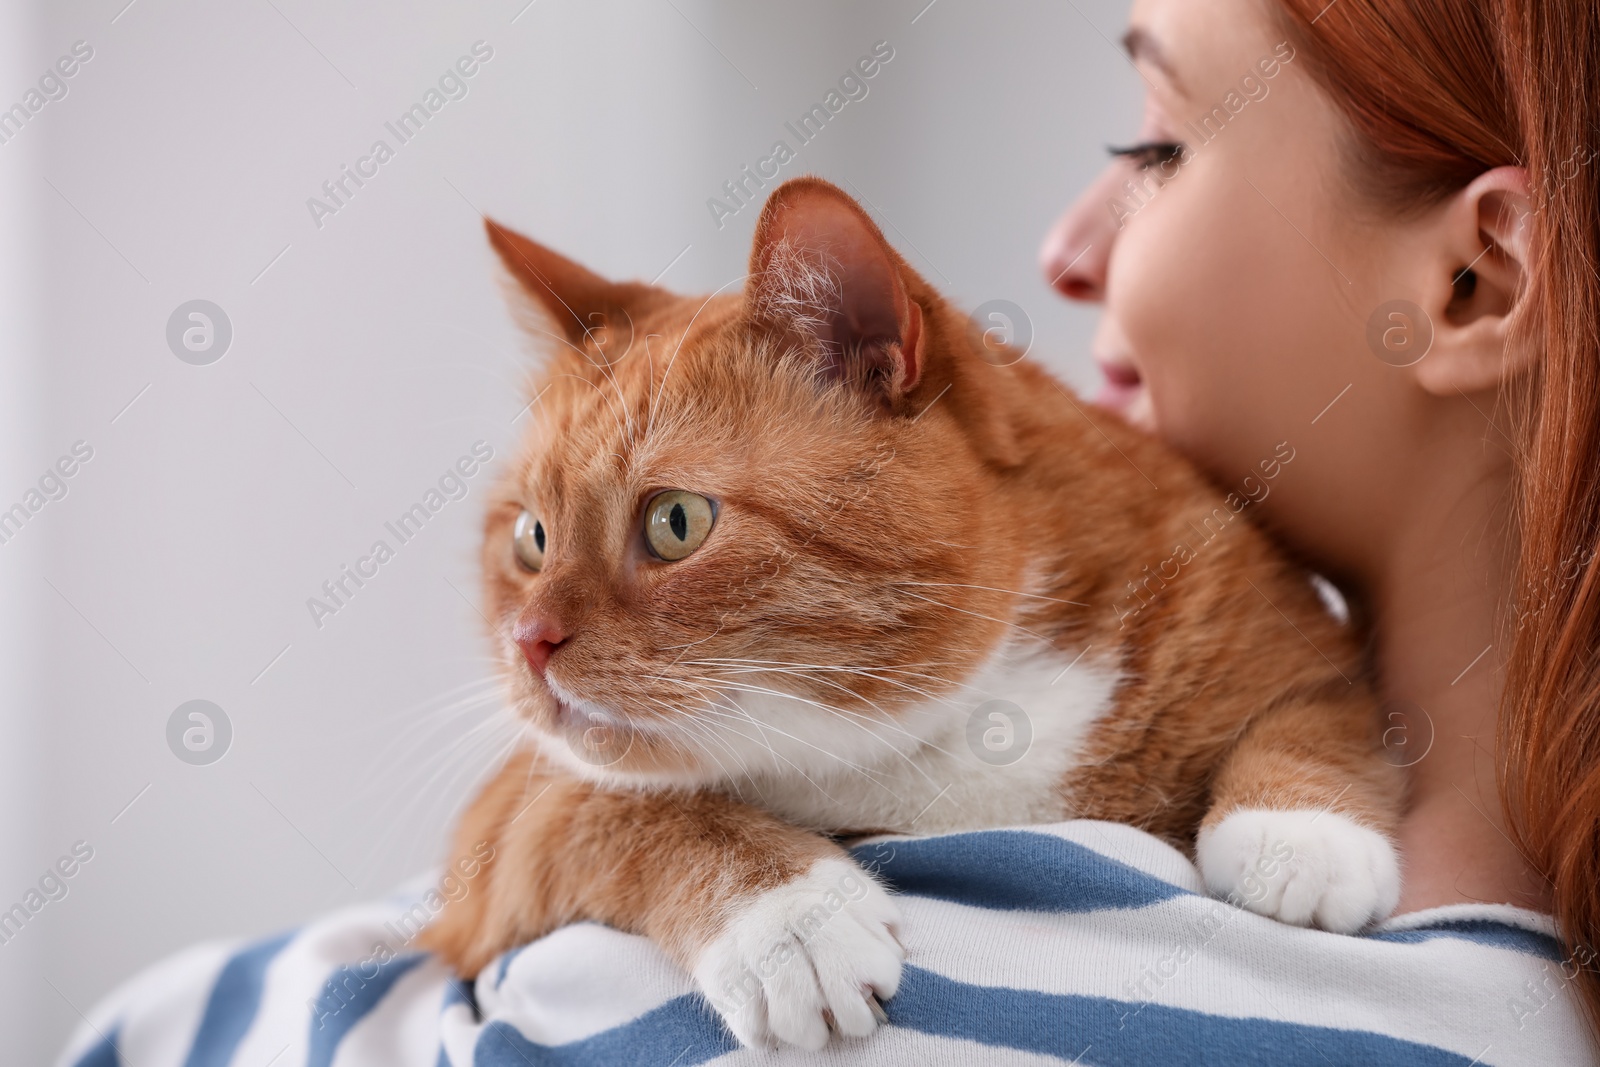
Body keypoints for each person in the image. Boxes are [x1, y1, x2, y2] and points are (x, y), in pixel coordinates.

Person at [58, 0, 1600, 1063]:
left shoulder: (818, 1012)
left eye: (1154, 148)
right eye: (529, 547)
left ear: (1475, 283)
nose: (1061, 251)